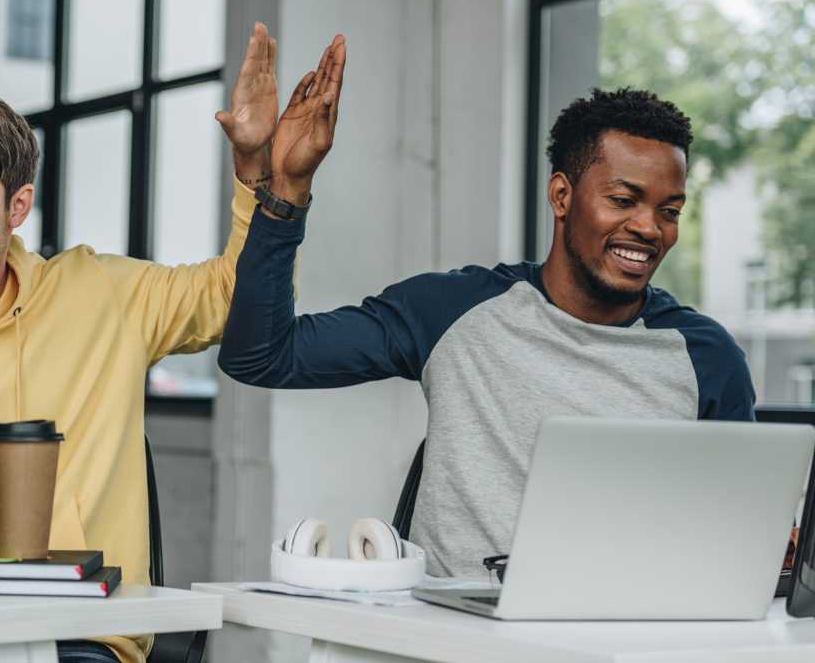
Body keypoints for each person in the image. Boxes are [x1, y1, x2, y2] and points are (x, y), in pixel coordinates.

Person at [0, 24, 345, 663]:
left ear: (17, 206)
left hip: (70, 636)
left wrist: (258, 178)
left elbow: (230, 297)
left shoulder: (100, 295)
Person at [218, 88, 756, 578]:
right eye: (622, 200)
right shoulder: (453, 309)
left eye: (670, 210)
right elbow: (262, 356)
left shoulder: (706, 357)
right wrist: (285, 193)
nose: (648, 228)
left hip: (626, 637)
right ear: (562, 196)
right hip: (457, 639)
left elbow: (739, 526)